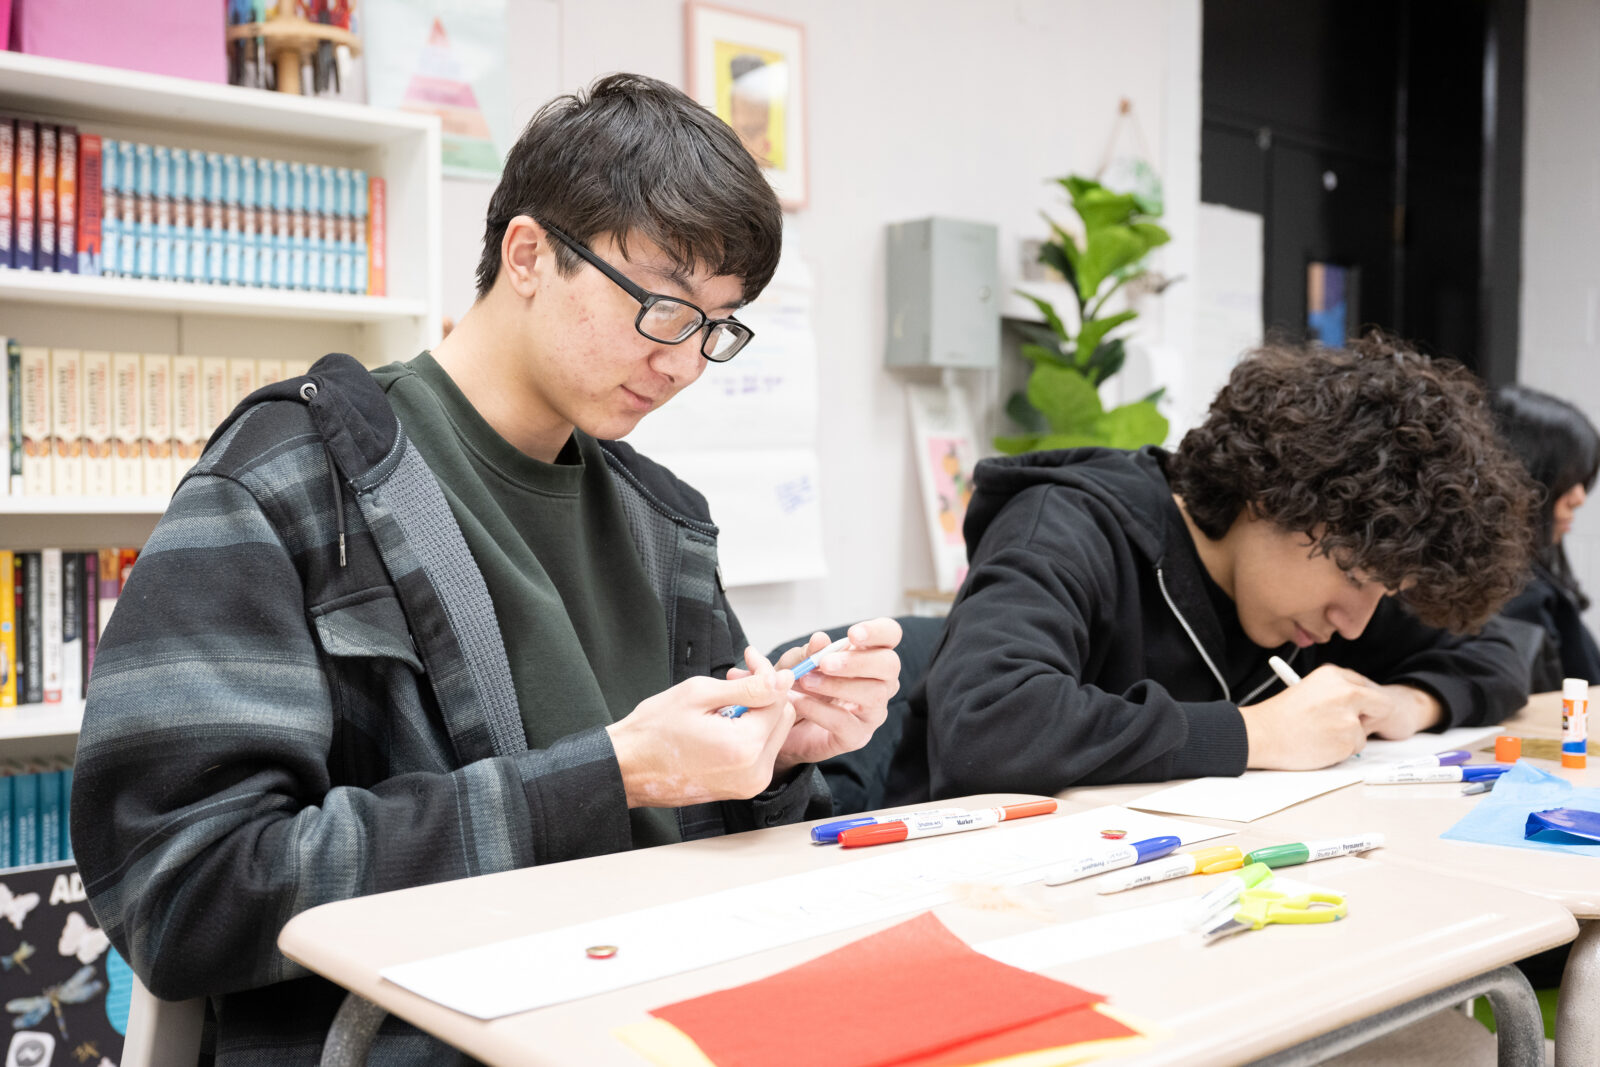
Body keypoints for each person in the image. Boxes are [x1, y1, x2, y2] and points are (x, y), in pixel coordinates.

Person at [72, 74, 901, 1064]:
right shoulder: (294, 481)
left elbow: (705, 844)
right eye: (663, 305)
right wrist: (609, 773)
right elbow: (187, 890)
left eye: (715, 324)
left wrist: (772, 758)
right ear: (527, 254)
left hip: (672, 1013)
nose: (683, 364)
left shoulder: (661, 522)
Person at [893, 335, 1536, 801]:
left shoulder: (1335, 561)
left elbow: (1497, 654)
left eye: (1386, 590)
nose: (1354, 622)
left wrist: (1405, 703)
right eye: (1357, 579)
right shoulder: (1067, 526)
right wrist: (1256, 733)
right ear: (1276, 496)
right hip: (968, 897)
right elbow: (987, 724)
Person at [1490, 384, 1600, 691]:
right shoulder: (1511, 600)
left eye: (1584, 479)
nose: (1579, 497)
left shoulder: (1539, 586)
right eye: (1568, 478)